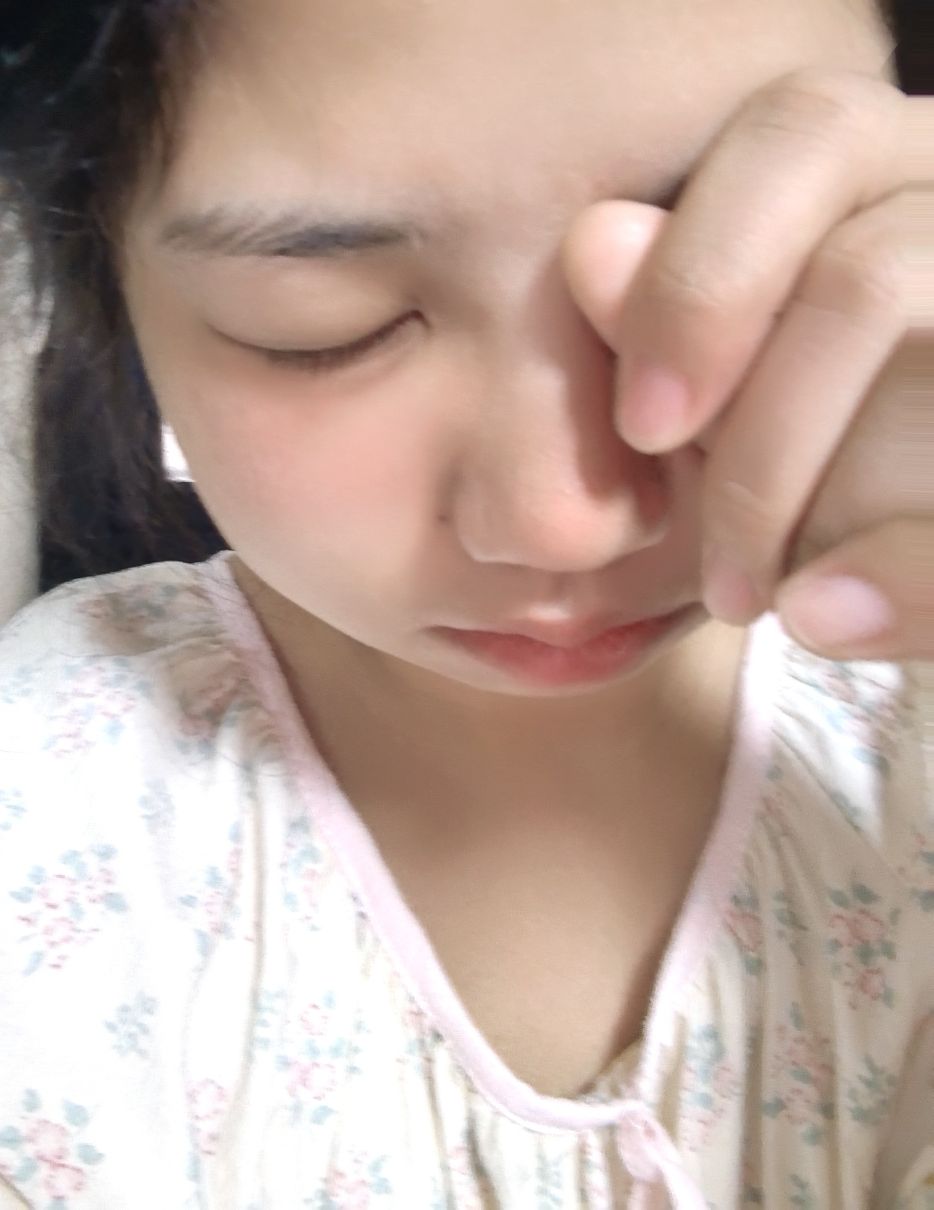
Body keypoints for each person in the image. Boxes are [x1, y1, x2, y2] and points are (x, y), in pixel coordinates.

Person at [0, 1, 930, 1206]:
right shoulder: (56, 797)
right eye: (325, 331)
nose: (564, 520)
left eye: (744, 276)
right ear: (114, 284)